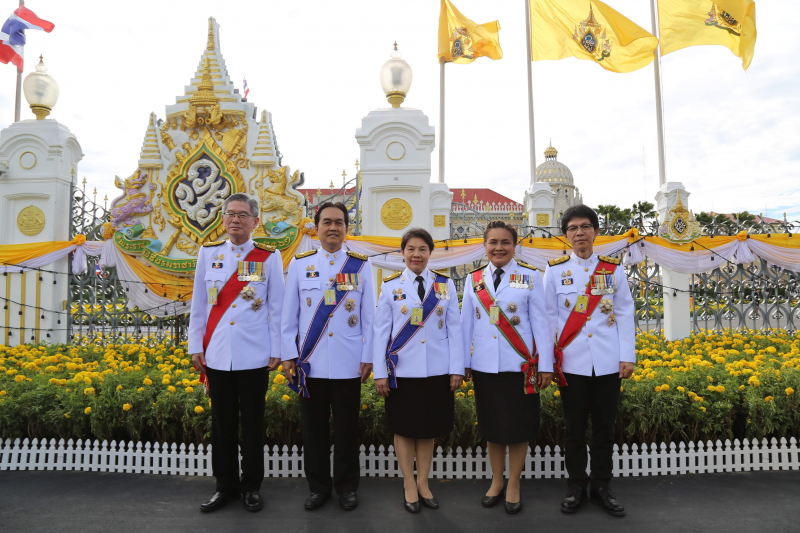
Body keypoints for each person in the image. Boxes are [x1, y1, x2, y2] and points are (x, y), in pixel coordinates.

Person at [188, 192, 284, 513]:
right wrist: (195, 346)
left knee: (253, 425)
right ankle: (225, 486)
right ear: (223, 218)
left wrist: (278, 349)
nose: (235, 220)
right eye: (230, 214)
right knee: (222, 425)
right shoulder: (209, 253)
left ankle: (251, 487)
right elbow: (199, 305)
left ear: (256, 221)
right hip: (217, 353)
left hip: (254, 355)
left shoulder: (268, 257)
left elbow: (277, 308)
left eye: (243, 215)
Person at [537, 204, 635, 517]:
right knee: (575, 429)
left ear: (595, 231)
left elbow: (624, 314)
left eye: (585, 226)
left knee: (605, 429)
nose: (579, 233)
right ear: (566, 235)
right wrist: (546, 363)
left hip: (607, 363)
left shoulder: (613, 268)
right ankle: (576, 485)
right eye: (573, 228)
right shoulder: (554, 271)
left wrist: (627, 356)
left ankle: (602, 487)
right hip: (571, 364)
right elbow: (547, 319)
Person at [281, 202, 374, 511]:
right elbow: (289, 315)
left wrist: (369, 355)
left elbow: (369, 317)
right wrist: (288, 356)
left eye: (339, 222)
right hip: (311, 364)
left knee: (348, 430)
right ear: (316, 227)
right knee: (314, 430)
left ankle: (347, 487)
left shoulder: (361, 265)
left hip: (349, 363)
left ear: (347, 228)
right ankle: (318, 488)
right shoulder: (299, 263)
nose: (333, 227)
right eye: (327, 222)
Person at [460, 220, 554, 514]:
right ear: (485, 246)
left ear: (515, 246)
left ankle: (514, 482)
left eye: (505, 242)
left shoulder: (529, 277)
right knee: (492, 427)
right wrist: (463, 364)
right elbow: (465, 325)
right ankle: (497, 480)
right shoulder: (473, 279)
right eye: (493, 242)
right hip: (485, 366)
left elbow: (541, 323)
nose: (499, 248)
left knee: (519, 427)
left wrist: (546, 365)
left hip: (519, 365)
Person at [373, 228, 465, 513]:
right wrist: (379, 372)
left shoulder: (444, 285)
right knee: (403, 429)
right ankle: (408, 484)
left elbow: (455, 330)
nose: (416, 254)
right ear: (402, 253)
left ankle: (424, 483)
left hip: (436, 371)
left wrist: (456, 369)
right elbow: (380, 333)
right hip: (402, 372)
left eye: (422, 249)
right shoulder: (390, 286)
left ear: (429, 253)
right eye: (411, 249)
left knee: (428, 430)